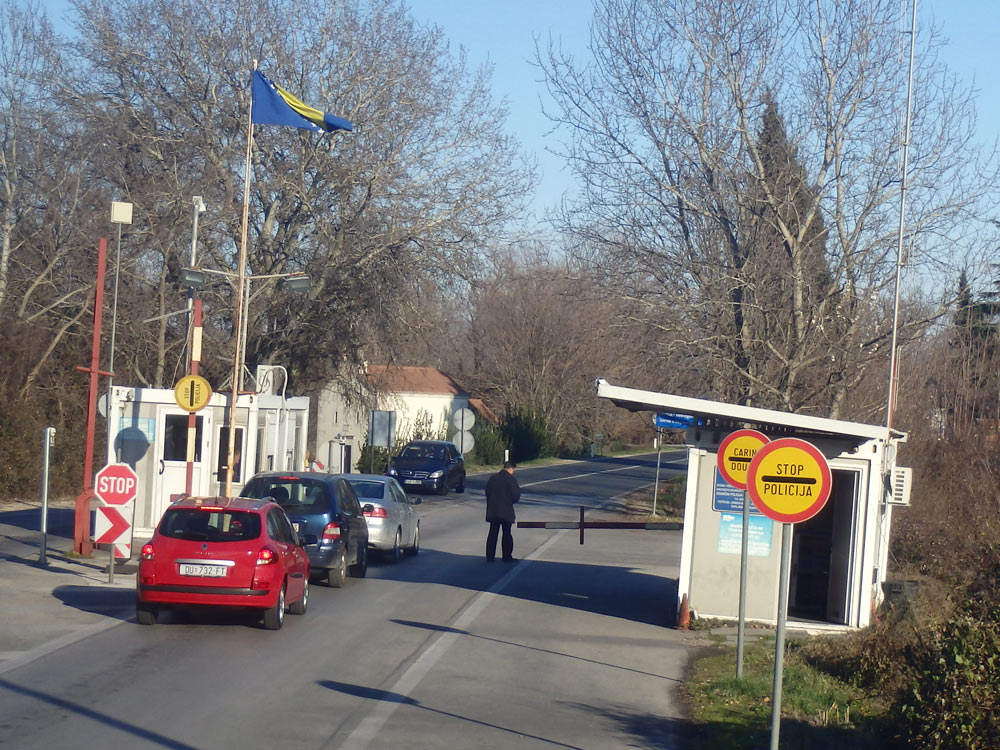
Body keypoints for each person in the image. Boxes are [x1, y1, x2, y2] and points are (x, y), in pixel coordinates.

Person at [485, 460, 520, 562]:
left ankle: (490, 556)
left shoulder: (493, 478)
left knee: (492, 533)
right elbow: (516, 495)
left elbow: (487, 492)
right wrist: (509, 502)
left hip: (493, 510)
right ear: (510, 468)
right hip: (506, 511)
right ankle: (506, 556)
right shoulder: (511, 479)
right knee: (506, 533)